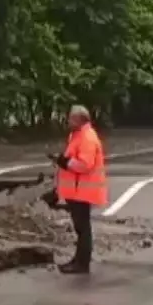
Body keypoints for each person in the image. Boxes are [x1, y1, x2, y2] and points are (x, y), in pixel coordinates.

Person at [49, 105, 107, 274]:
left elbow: (84, 165)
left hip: (82, 190)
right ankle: (79, 260)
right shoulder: (78, 135)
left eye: (71, 118)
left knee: (83, 228)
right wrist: (62, 159)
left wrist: (65, 163)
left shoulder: (87, 137)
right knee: (81, 228)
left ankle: (82, 264)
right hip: (77, 190)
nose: (68, 121)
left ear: (80, 119)